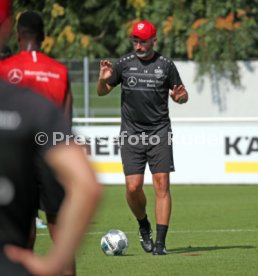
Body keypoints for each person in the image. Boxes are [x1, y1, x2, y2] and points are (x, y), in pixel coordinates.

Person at [0, 2, 101, 275]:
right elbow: (65, 122)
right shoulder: (59, 70)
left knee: (23, 235)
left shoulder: (5, 68)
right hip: (52, 157)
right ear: (43, 37)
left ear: (18, 35)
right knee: (59, 229)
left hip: (17, 159)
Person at [96, 20, 188, 255]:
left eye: (143, 41)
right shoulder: (124, 64)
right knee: (133, 187)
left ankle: (160, 244)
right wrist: (102, 78)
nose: (138, 45)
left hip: (159, 132)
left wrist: (180, 97)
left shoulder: (166, 65)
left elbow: (182, 94)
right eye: (135, 40)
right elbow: (102, 91)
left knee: (161, 184)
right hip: (131, 133)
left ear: (153, 41)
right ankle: (143, 224)